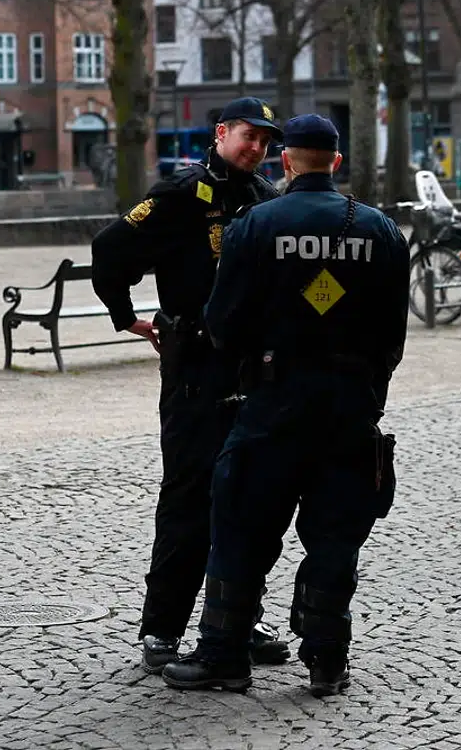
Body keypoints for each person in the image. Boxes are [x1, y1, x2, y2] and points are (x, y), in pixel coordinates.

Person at [161, 113, 409, 697]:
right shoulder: (379, 230)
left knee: (241, 528)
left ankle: (224, 654)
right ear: (336, 162)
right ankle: (327, 658)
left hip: (273, 403)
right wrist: (366, 391)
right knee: (335, 535)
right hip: (349, 406)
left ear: (286, 160)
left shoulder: (255, 224)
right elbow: (392, 335)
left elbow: (223, 322)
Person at [90, 96, 291, 674]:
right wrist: (125, 316)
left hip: (250, 368)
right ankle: (163, 628)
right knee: (187, 496)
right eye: (249, 136)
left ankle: (236, 620)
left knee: (247, 498)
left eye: (266, 141)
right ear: (221, 133)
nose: (257, 148)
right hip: (195, 369)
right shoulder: (180, 194)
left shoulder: (265, 200)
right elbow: (110, 248)